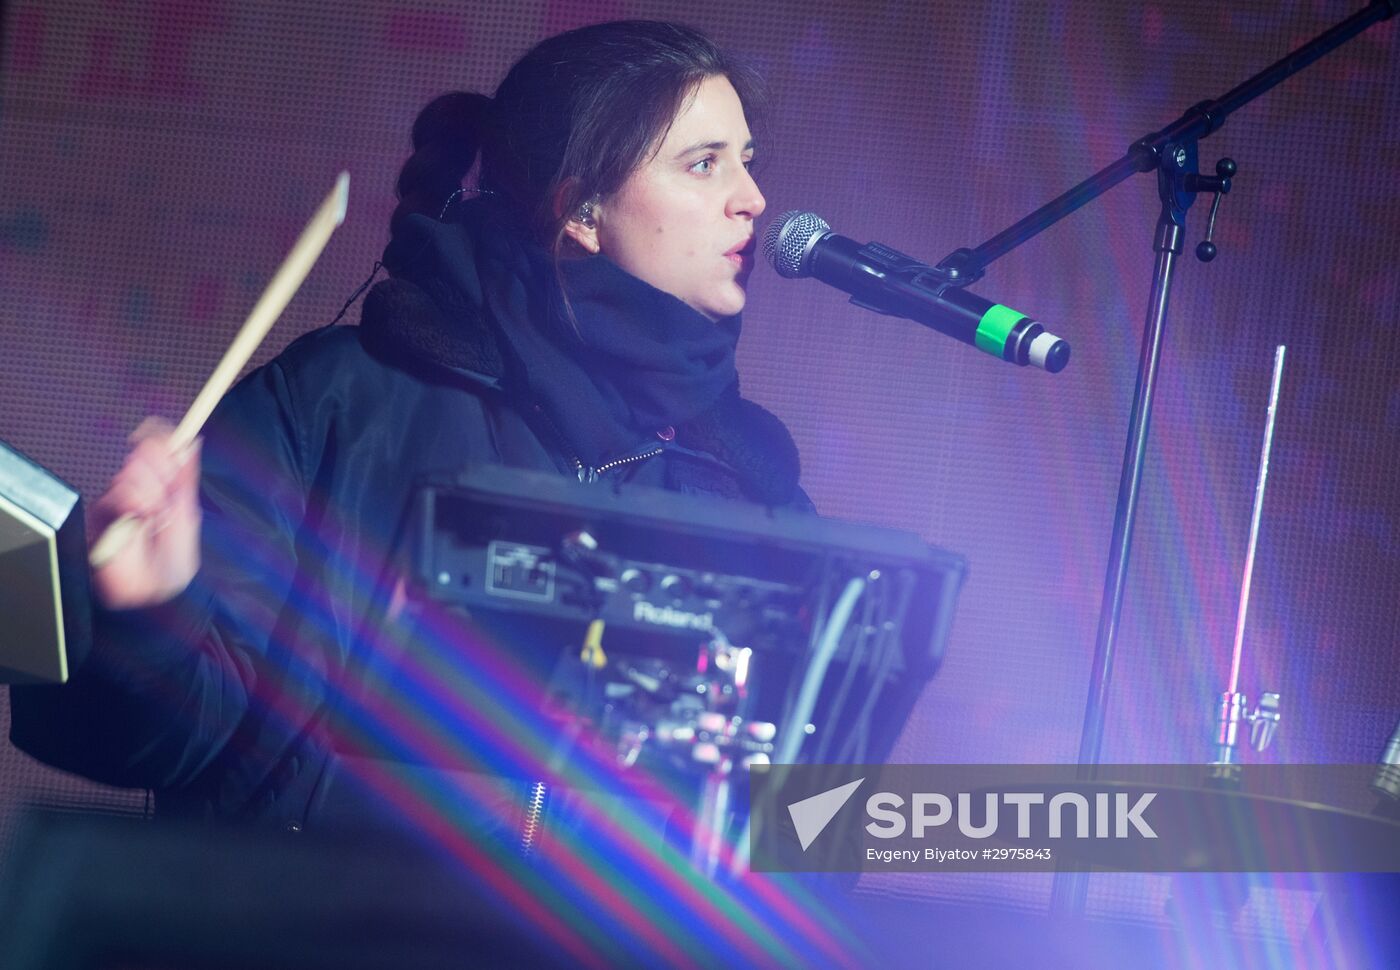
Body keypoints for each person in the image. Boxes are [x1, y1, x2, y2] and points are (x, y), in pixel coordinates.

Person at [9, 20, 808, 838]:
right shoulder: (341, 402)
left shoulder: (746, 478)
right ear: (582, 211)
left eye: (746, 160)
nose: (752, 199)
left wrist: (907, 824)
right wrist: (145, 618)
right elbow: (124, 745)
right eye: (704, 163)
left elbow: (815, 830)